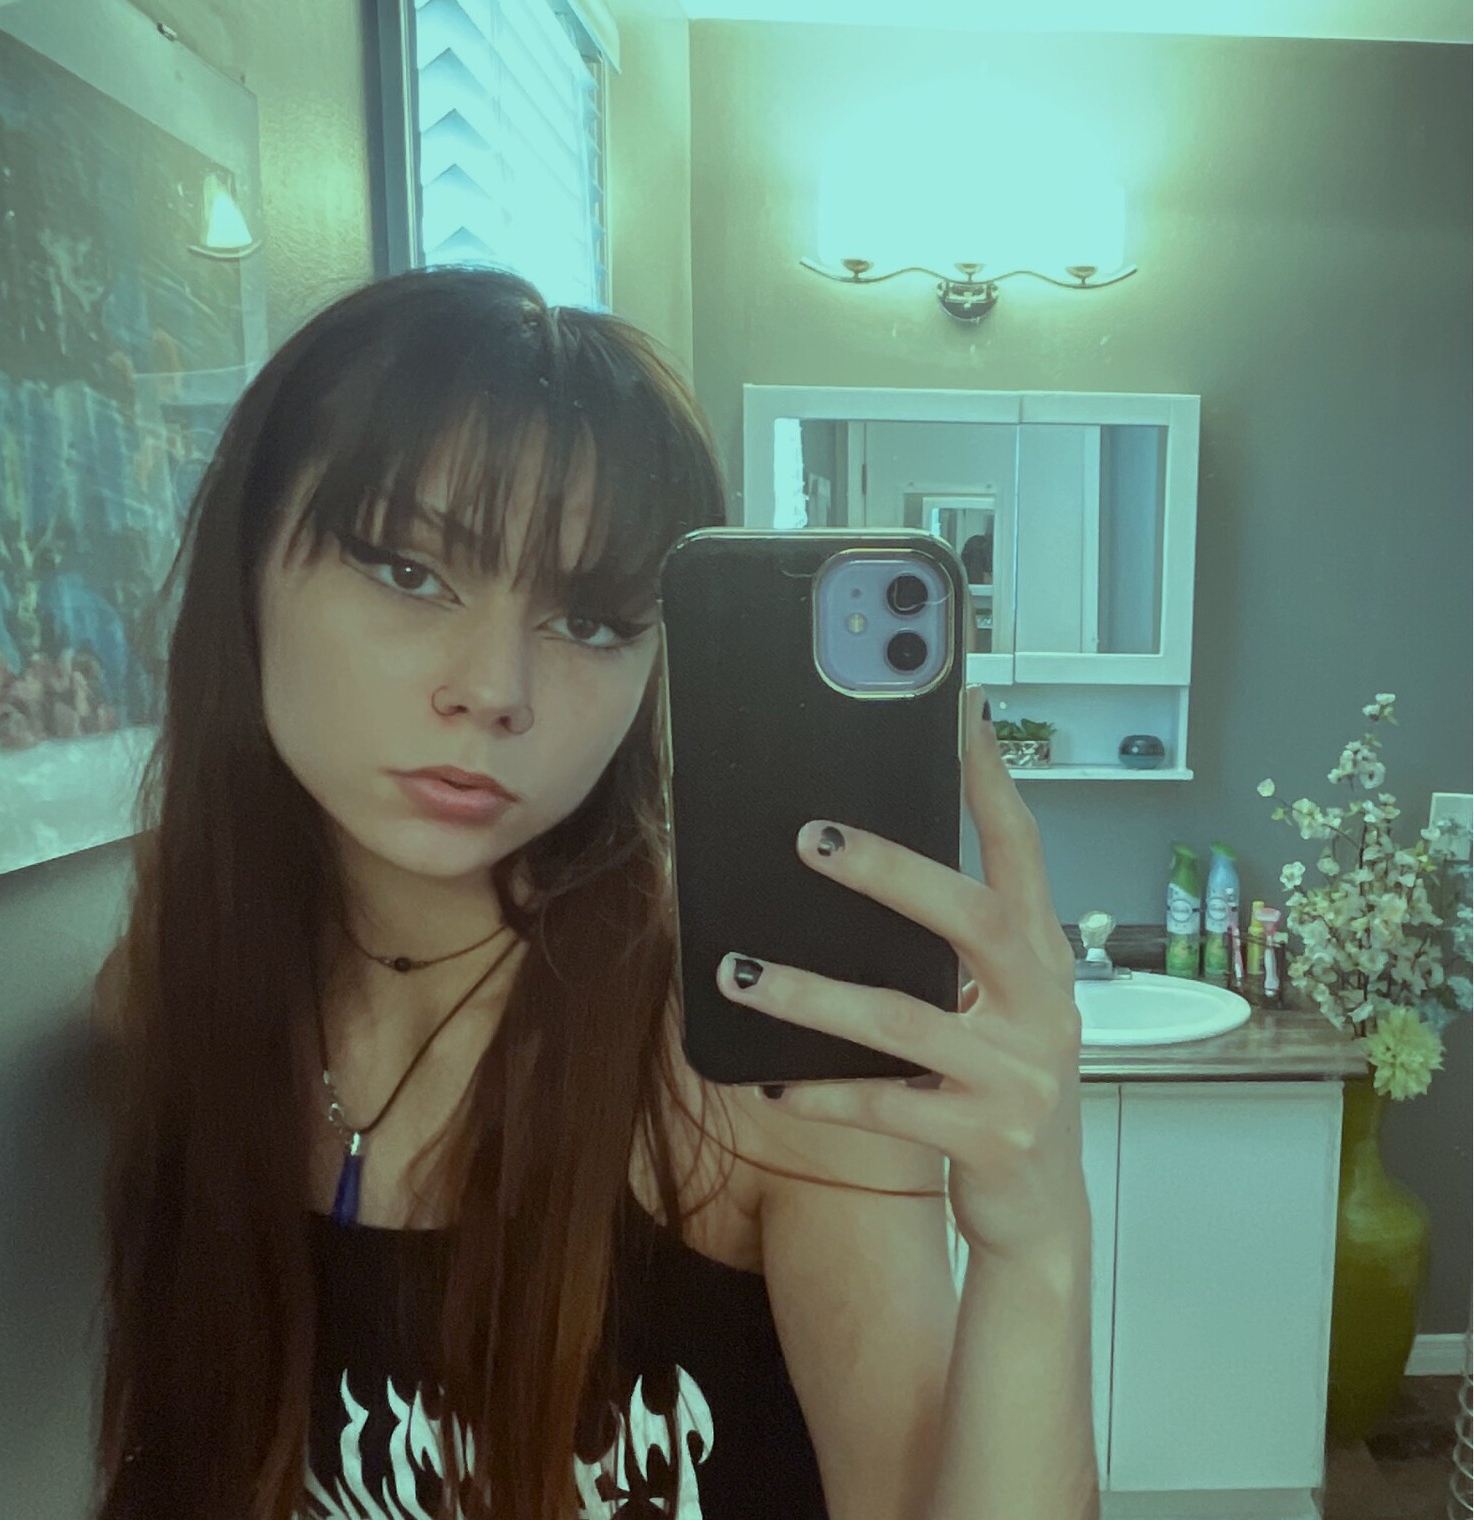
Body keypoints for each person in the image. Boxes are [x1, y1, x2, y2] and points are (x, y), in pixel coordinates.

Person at [90, 267, 1096, 1520]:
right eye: (408, 570)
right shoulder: (168, 990)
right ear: (248, 562)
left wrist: (1037, 1246)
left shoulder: (751, 1060)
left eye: (592, 622)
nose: (493, 689)